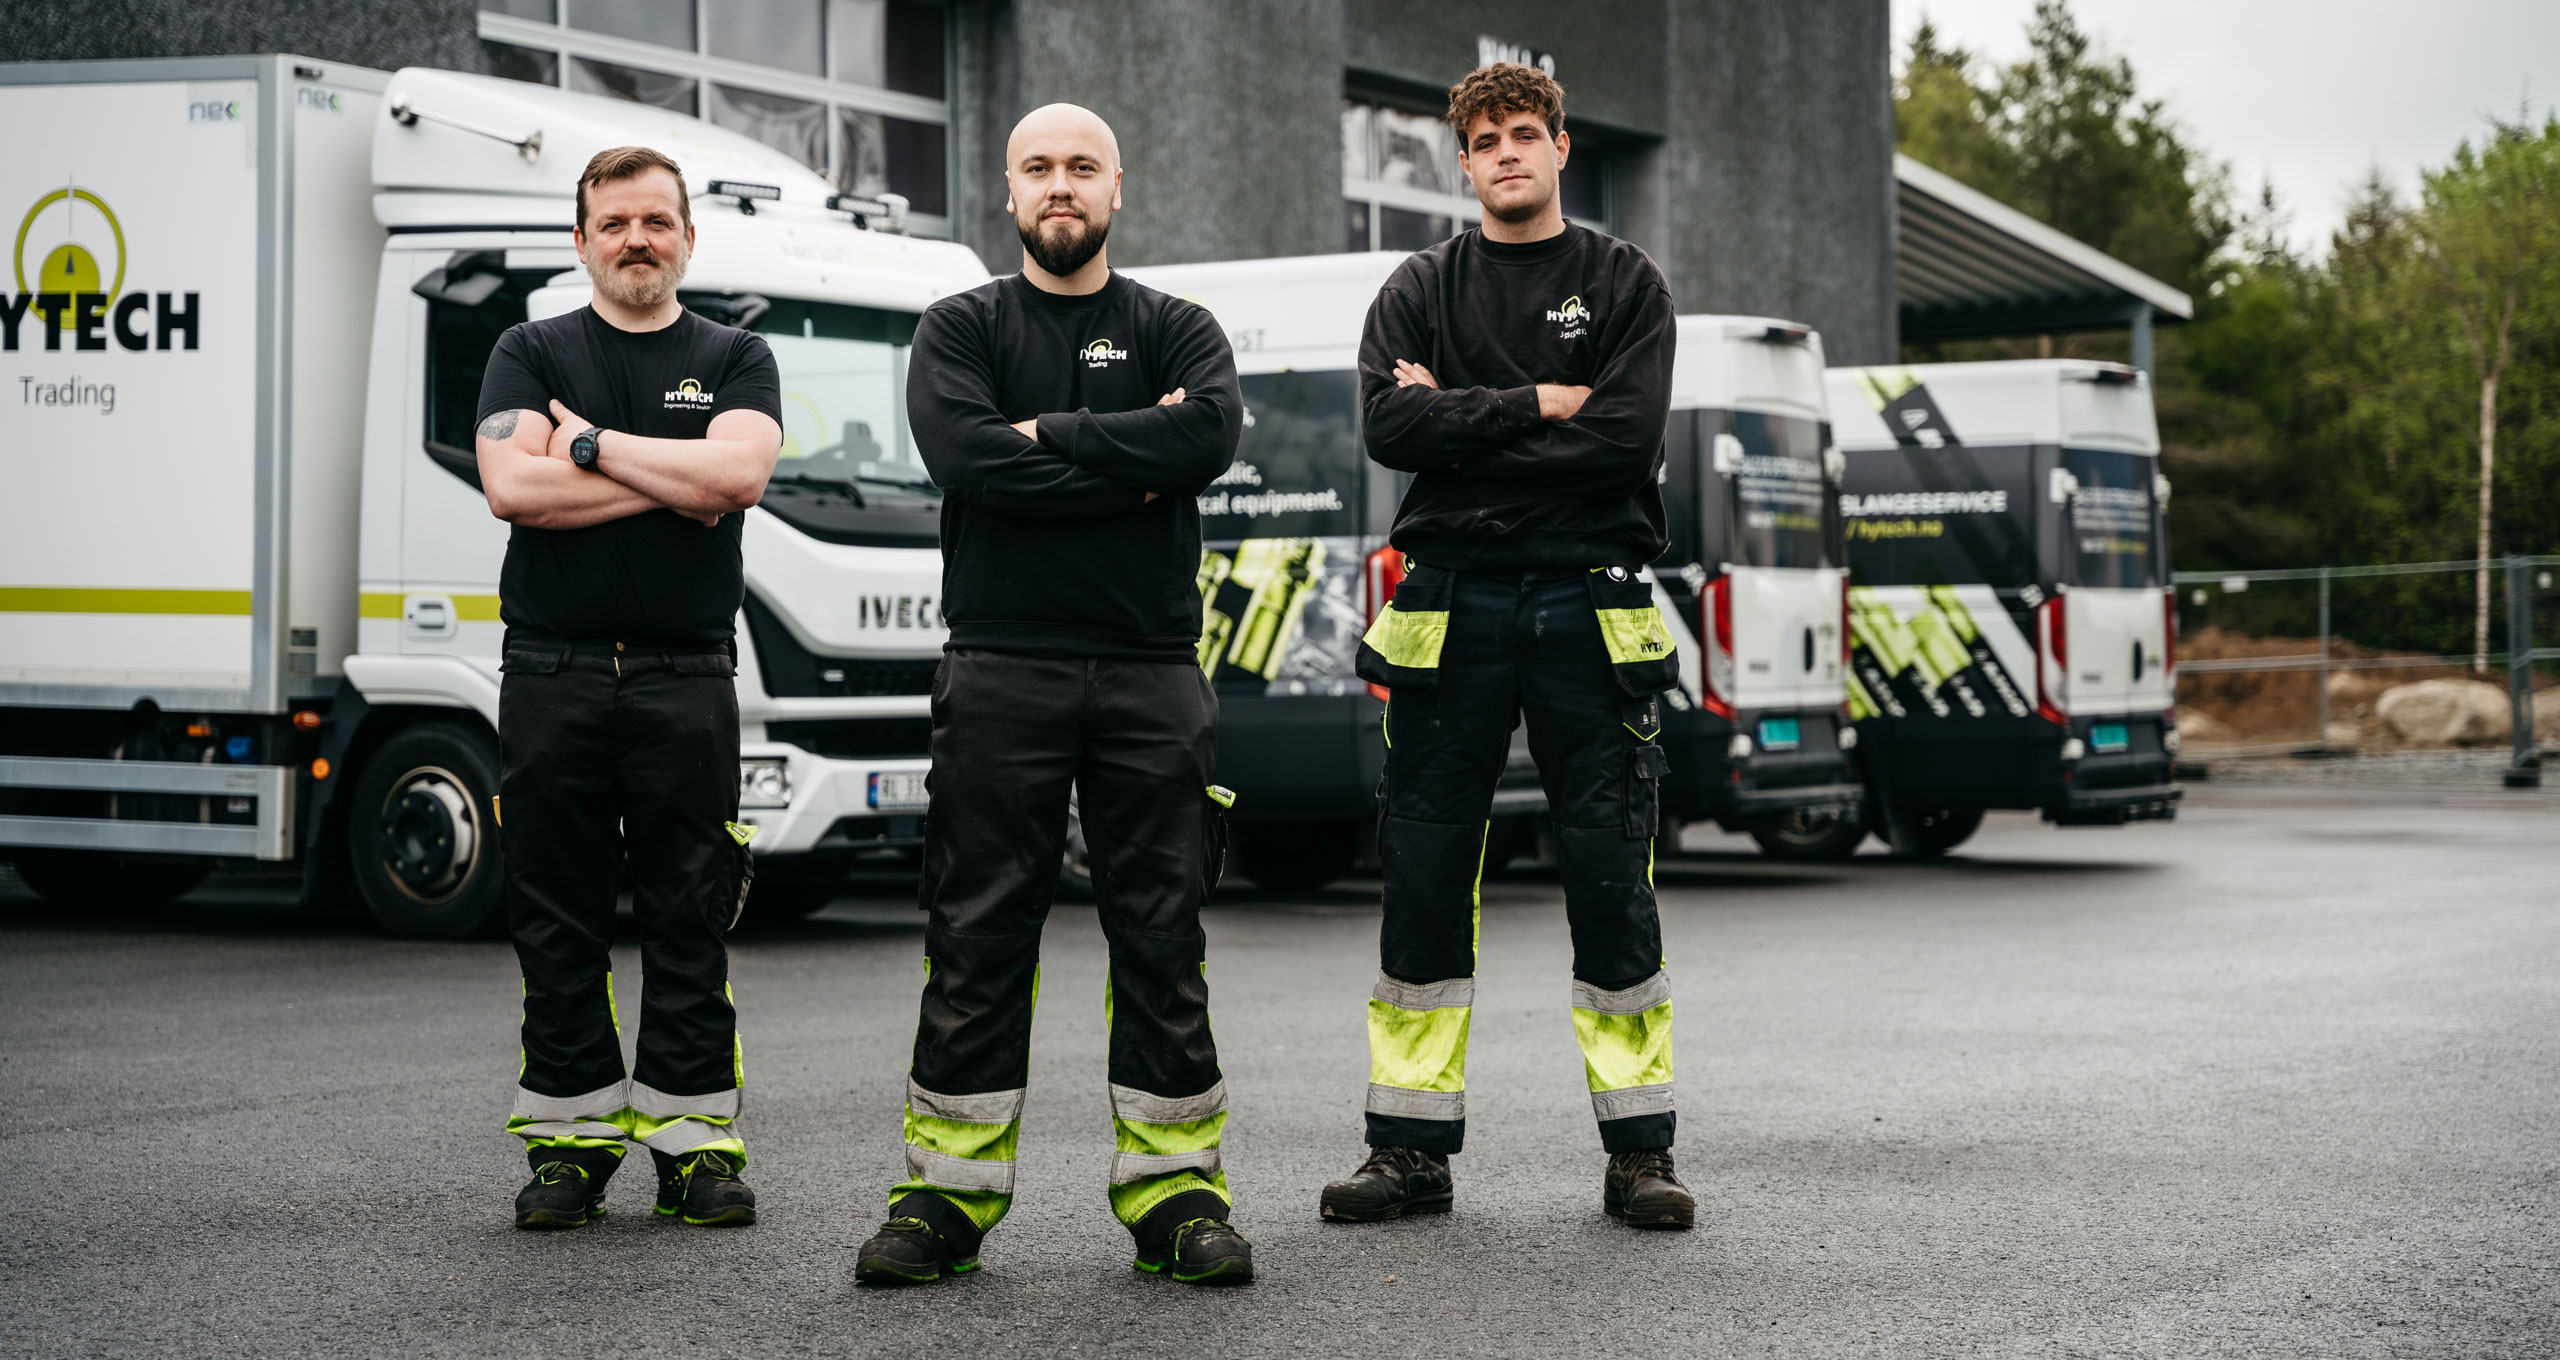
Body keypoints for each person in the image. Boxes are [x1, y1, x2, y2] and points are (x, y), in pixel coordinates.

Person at [850, 104, 1251, 1288]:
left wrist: (1053, 437)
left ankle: (1177, 1192)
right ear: (1008, 191)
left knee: (1161, 935)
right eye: (1039, 168)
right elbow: (968, 458)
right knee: (975, 929)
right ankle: (944, 1200)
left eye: (1081, 167)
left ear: (1116, 187)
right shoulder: (960, 324)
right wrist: (1127, 457)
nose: (1059, 185)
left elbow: (1208, 440)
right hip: (1001, 665)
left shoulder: (1179, 326)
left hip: (1148, 670)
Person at [1321, 63, 1693, 1231]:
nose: (1503, 155)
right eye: (1482, 142)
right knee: (1423, 867)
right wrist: (1540, 400)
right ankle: (1408, 1153)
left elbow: (1623, 444)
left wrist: (1465, 420)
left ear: (1560, 146)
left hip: (1593, 598)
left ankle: (1640, 1155)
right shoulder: (1419, 285)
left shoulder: (1624, 282)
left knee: (1607, 866)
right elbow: (1389, 425)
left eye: (1522, 134)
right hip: (1450, 599)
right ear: (1463, 161)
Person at [472, 146, 783, 1231]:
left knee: (690, 910)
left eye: (657, 221)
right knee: (554, 910)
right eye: (615, 224)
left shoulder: (736, 353)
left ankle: (695, 1149)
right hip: (550, 672)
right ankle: (568, 1147)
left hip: (684, 673)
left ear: (688, 237)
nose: (637, 240)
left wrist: (593, 451)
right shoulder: (528, 346)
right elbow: (513, 487)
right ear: (582, 242)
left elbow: (738, 478)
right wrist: (669, 480)